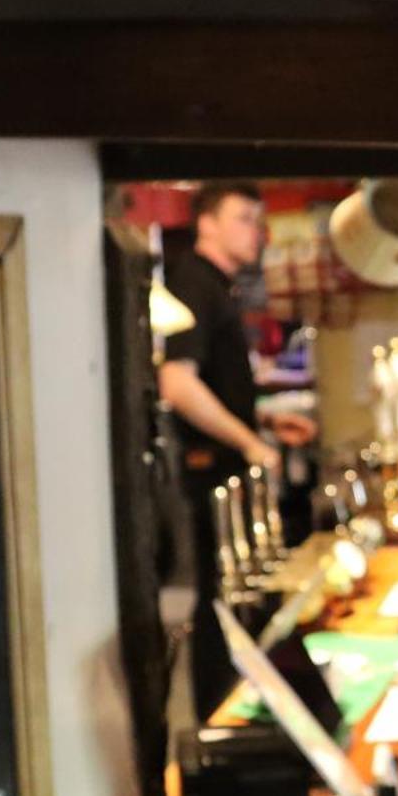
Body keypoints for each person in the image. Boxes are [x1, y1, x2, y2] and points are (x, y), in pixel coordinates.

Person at [157, 182, 316, 717]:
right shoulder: (192, 283)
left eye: (258, 219)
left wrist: (265, 419)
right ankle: (215, 720)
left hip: (231, 467)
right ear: (207, 223)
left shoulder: (217, 284)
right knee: (220, 603)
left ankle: (240, 707)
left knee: (238, 598)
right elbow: (176, 384)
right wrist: (249, 440)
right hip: (210, 472)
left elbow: (214, 383)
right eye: (244, 218)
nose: (257, 231)